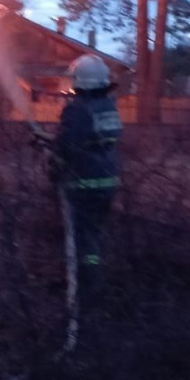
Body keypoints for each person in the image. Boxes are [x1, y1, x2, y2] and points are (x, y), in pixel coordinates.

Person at [36, 54, 122, 293]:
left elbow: (67, 146)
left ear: (78, 82)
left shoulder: (76, 110)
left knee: (79, 237)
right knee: (92, 235)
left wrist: (52, 160)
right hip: (108, 180)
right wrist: (49, 140)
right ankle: (86, 281)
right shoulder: (109, 107)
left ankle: (82, 288)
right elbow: (90, 140)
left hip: (84, 183)